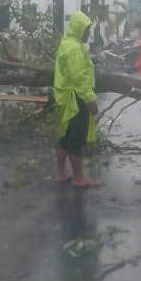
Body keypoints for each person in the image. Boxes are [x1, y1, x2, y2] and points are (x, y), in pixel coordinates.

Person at [53, 11, 100, 188]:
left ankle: (61, 173)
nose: (89, 33)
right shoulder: (75, 49)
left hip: (65, 97)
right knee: (76, 138)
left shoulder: (66, 43)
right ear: (79, 28)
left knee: (64, 135)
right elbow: (79, 77)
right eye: (87, 29)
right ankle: (79, 178)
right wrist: (90, 99)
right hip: (76, 98)